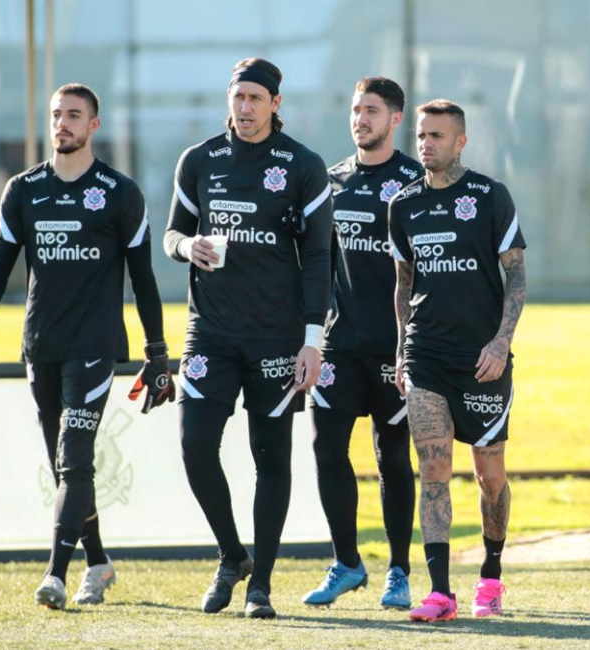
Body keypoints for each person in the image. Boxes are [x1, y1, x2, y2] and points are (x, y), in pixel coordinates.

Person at [0, 83, 173, 610]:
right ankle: (97, 562)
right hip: (42, 343)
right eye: (56, 115)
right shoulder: (23, 190)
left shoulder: (120, 193)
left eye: (74, 115)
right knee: (63, 466)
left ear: (94, 125)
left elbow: (143, 279)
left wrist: (158, 352)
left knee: (74, 461)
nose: (62, 124)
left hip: (96, 345)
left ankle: (55, 574)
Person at [164, 57, 333, 619]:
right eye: (238, 97)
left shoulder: (302, 166)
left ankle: (259, 584)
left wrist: (312, 340)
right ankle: (230, 555)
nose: (246, 108)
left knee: (271, 458)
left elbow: (317, 259)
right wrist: (189, 248)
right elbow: (171, 233)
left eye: (257, 98)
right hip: (209, 331)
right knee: (193, 447)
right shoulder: (200, 160)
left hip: (276, 338)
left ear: (276, 104)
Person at [388, 99, 527, 622]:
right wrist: (402, 349)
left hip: (482, 361)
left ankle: (490, 578)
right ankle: (440, 592)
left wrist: (499, 342)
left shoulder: (490, 197)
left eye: (438, 136)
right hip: (425, 355)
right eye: (422, 135)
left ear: (461, 142)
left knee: (489, 476)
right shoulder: (402, 205)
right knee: (434, 468)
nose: (426, 144)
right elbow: (404, 285)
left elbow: (515, 274)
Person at [302, 77, 420, 609]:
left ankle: (399, 570)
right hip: (339, 345)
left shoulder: (416, 182)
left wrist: (416, 345)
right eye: (355, 110)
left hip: (394, 349)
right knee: (327, 449)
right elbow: (316, 264)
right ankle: (346, 563)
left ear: (395, 118)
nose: (360, 119)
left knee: (392, 456)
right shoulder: (332, 181)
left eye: (371, 110)